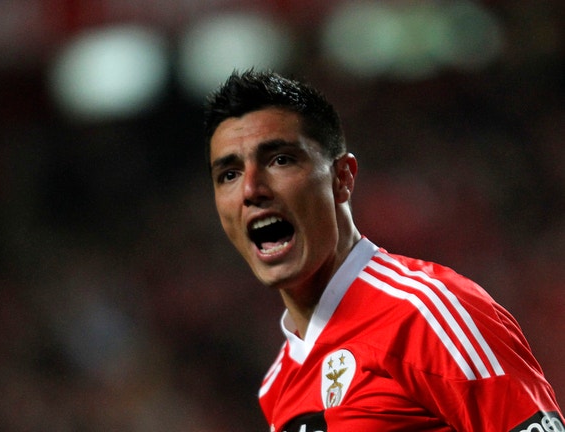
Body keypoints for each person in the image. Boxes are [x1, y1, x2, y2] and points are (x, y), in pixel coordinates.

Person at [203, 69, 563, 431]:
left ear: (342, 177)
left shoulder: (427, 312)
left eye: (280, 160)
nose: (251, 189)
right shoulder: (279, 383)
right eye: (229, 174)